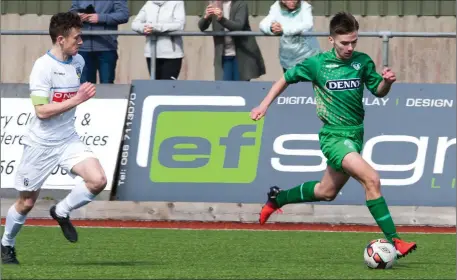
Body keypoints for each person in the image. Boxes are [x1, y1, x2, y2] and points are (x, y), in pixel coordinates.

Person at [250, 12, 417, 259]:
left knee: (326, 192)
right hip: (333, 138)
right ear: (331, 40)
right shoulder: (317, 64)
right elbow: (285, 79)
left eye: (353, 42)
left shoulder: (362, 62)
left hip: (355, 135)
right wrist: (264, 105)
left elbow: (378, 91)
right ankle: (395, 240)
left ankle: (278, 198)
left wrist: (387, 82)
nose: (350, 48)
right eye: (344, 43)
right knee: (372, 179)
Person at [1, 12, 107, 265]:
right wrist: (77, 99)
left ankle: (61, 210)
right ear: (60, 39)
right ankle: (6, 244)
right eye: (76, 37)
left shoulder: (78, 61)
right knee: (26, 202)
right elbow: (42, 111)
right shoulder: (43, 68)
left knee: (98, 180)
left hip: (68, 139)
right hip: (40, 143)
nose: (80, 42)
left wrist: (75, 99)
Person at [198, 0, 266, 81]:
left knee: (240, 86)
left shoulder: (240, 3)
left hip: (241, 54)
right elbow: (202, 27)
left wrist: (221, 18)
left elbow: (239, 26)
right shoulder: (214, 3)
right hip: (224, 55)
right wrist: (206, 17)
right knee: (224, 87)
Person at [70, 0, 129, 84]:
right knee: (84, 87)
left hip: (107, 47)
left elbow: (124, 15)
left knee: (107, 85)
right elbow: (72, 12)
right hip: (83, 48)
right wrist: (77, 16)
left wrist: (100, 18)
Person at [259, 0, 321, 73]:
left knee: (307, 83)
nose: (293, 1)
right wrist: (271, 28)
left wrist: (283, 29)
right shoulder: (276, 7)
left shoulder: (305, 6)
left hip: (308, 55)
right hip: (288, 58)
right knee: (290, 83)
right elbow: (263, 24)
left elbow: (307, 25)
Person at [131, 0, 186, 80]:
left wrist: (156, 28)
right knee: (155, 87)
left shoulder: (177, 2)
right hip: (151, 53)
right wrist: (144, 28)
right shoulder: (149, 3)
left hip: (171, 55)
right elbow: (135, 23)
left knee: (168, 88)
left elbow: (180, 25)